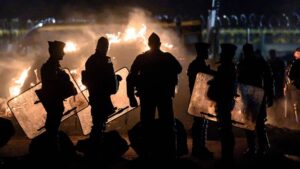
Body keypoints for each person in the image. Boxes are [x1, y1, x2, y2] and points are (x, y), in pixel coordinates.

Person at [127, 32, 182, 159]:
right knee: (167, 125)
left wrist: (131, 96)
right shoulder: (167, 57)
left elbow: (131, 78)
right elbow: (178, 69)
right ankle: (169, 154)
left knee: (147, 126)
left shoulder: (141, 58)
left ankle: (147, 154)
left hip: (148, 97)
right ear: (159, 44)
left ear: (148, 44)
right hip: (163, 96)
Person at [237, 43, 274, 157]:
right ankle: (258, 148)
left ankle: (257, 148)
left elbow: (268, 77)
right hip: (254, 94)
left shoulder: (246, 62)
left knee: (253, 123)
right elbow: (268, 77)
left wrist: (269, 94)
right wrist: (269, 94)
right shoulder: (257, 61)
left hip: (254, 95)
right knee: (255, 124)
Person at [82, 37, 119, 142]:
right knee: (100, 123)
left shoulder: (90, 60)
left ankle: (95, 145)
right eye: (106, 46)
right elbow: (110, 78)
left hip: (94, 96)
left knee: (98, 122)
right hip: (102, 97)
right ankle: (95, 147)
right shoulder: (107, 59)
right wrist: (116, 80)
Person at [40, 40, 77, 141]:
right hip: (54, 104)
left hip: (55, 104)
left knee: (53, 129)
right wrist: (69, 89)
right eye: (61, 51)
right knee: (52, 130)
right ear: (56, 52)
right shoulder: (50, 68)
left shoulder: (53, 67)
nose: (64, 53)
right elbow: (54, 88)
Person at [207, 43, 237, 166]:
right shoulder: (228, 67)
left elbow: (223, 83)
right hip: (225, 100)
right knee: (225, 128)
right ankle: (227, 155)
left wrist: (214, 81)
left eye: (222, 53)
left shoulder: (227, 68)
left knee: (225, 129)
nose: (220, 54)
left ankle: (227, 157)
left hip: (224, 100)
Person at [187, 42, 215, 159]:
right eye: (206, 51)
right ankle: (198, 149)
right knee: (199, 124)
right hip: (198, 98)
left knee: (202, 123)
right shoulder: (197, 65)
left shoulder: (198, 64)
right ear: (201, 52)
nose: (208, 53)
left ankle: (200, 148)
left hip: (201, 98)